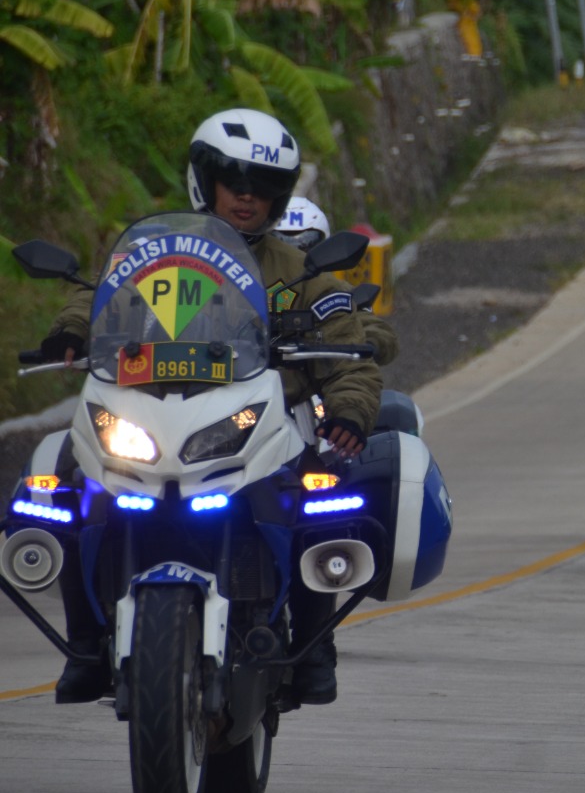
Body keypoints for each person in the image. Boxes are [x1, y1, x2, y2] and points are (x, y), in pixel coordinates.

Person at [40, 108, 382, 706]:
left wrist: (350, 403)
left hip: (262, 412)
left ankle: (313, 645)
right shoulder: (154, 253)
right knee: (68, 483)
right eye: (235, 181)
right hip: (150, 407)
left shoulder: (299, 269)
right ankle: (86, 641)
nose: (248, 197)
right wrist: (72, 329)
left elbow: (347, 341)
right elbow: (98, 296)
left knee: (317, 498)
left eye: (264, 187)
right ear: (206, 179)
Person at [273, 196, 399, 366]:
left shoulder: (333, 292)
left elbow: (375, 328)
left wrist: (368, 343)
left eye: (304, 247)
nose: (293, 257)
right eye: (281, 246)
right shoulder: (245, 288)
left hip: (317, 384)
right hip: (251, 381)